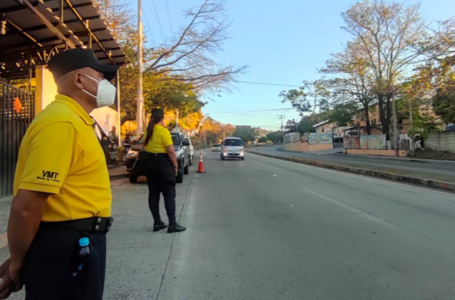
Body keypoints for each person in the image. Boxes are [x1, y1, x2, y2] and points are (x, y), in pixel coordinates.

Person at [0, 48, 117, 300]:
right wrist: (18, 263)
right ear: (79, 80)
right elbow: (27, 206)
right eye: (101, 76)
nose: (107, 84)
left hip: (75, 242)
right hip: (67, 247)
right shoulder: (61, 122)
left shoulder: (76, 120)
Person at [143, 108, 186, 233]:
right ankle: (172, 224)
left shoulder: (148, 131)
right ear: (162, 118)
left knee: (153, 193)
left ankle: (157, 222)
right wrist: (175, 165)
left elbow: (145, 147)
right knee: (169, 194)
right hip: (163, 164)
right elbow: (171, 151)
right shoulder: (163, 131)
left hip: (150, 163)